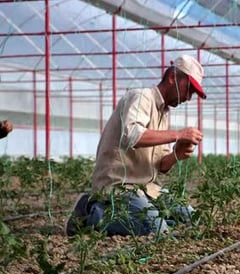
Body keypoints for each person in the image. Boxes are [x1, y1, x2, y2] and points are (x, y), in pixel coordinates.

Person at [66, 55, 206, 236]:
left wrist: (175, 155)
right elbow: (132, 136)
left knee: (191, 218)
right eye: (189, 89)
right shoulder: (141, 97)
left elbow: (161, 166)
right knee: (156, 228)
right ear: (172, 78)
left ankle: (145, 217)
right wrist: (178, 135)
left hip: (147, 189)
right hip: (119, 186)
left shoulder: (163, 112)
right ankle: (90, 213)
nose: (188, 97)